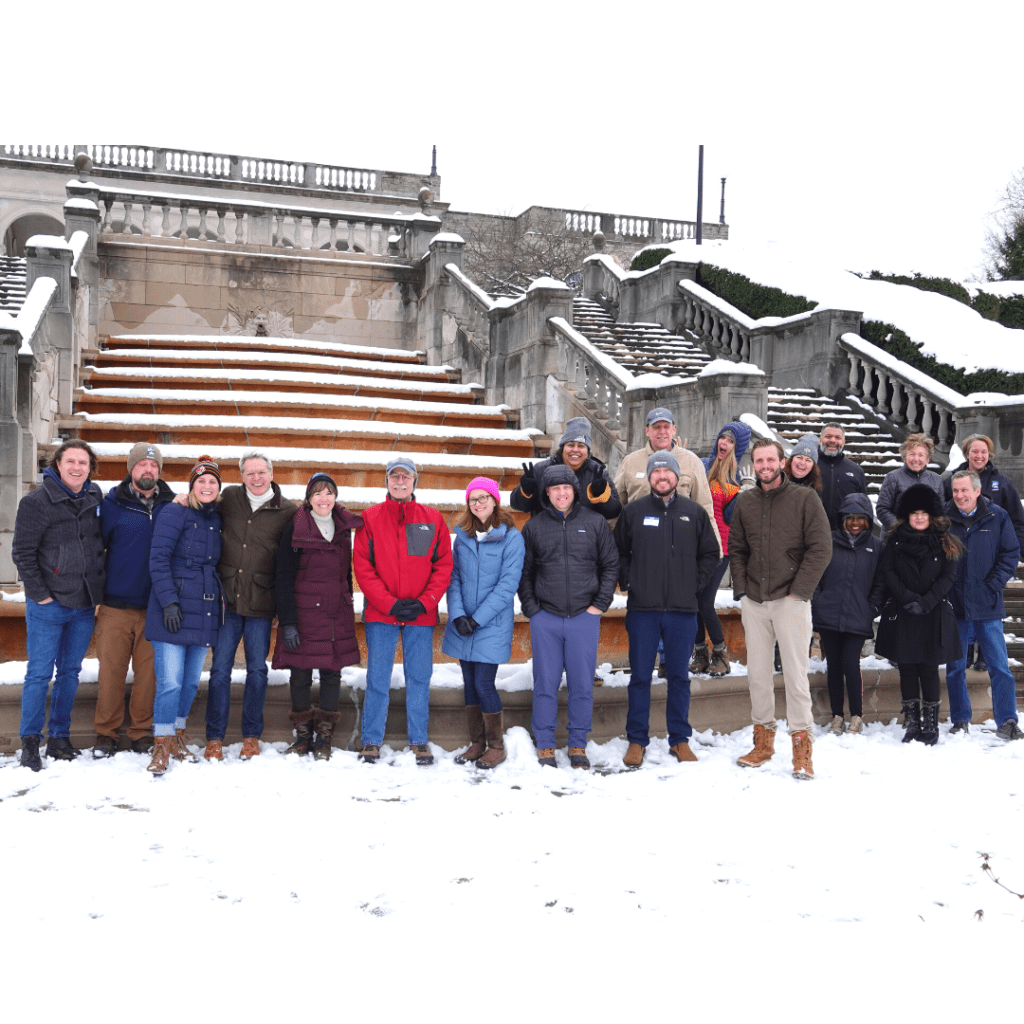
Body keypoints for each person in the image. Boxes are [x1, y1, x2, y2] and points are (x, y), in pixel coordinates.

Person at [729, 438, 832, 780]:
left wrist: (799, 592)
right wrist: (742, 591)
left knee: (795, 676)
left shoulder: (805, 499)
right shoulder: (745, 501)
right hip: (755, 601)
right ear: (753, 464)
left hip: (791, 600)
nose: (765, 466)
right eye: (759, 461)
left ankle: (802, 749)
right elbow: (737, 549)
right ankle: (763, 742)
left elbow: (820, 548)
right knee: (757, 674)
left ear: (782, 462)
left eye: (770, 459)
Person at [614, 451, 719, 766]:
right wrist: (630, 580)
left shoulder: (694, 513)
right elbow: (619, 551)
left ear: (677, 477)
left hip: (682, 613)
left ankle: (679, 740)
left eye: (667, 472)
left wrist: (694, 584)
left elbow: (710, 554)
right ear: (649, 477)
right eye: (656, 472)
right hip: (643, 611)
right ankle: (637, 740)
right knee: (641, 678)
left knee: (679, 677)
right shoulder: (633, 512)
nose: (662, 476)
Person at [353, 456, 453, 766]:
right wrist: (389, 603)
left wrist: (424, 602)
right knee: (378, 677)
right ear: (386, 481)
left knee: (419, 677)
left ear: (414, 482)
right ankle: (371, 740)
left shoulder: (431, 519)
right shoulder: (369, 519)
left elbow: (442, 566)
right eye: (394, 477)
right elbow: (363, 567)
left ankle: (419, 740)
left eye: (405, 477)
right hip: (382, 613)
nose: (399, 482)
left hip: (420, 614)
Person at [12, 440, 106, 770]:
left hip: (83, 604)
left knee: (69, 672)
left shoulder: (95, 496)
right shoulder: (37, 502)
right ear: (58, 464)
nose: (77, 467)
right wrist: (40, 595)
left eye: (83, 462)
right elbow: (22, 553)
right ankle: (30, 742)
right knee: (39, 674)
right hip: (49, 604)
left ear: (90, 467)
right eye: (71, 461)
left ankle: (59, 737)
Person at [519, 464, 618, 769]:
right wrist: (533, 610)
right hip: (545, 617)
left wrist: (598, 606)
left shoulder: (595, 522)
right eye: (554, 488)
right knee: (545, 683)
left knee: (581, 684)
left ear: (574, 490)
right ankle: (546, 744)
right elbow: (525, 573)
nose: (561, 493)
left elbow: (610, 566)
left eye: (566, 488)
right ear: (546, 493)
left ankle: (577, 743)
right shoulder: (534, 527)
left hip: (583, 616)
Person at [202, 451, 297, 761]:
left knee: (257, 671)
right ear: (241, 476)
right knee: (219, 671)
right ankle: (214, 736)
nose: (256, 478)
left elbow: (291, 560)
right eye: (249, 473)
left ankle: (251, 735)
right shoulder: (229, 497)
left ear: (271, 473)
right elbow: (201, 502)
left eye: (261, 472)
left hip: (261, 603)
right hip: (227, 601)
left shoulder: (287, 510)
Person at [270, 473, 363, 760]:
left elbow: (344, 574)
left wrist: (346, 599)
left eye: (329, 493)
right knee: (300, 674)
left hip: (335, 613)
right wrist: (288, 622)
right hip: (304, 613)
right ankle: (303, 738)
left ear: (335, 497)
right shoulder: (295, 527)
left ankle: (323, 738)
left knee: (331, 673)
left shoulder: (342, 527)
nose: (324, 499)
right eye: (318, 493)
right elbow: (283, 576)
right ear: (309, 498)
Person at [93, 442, 177, 757]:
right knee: (111, 673)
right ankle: (106, 733)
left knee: (148, 676)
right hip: (115, 606)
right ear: (131, 469)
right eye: (142, 465)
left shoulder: (173, 505)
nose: (148, 470)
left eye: (154, 466)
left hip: (155, 608)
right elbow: (95, 549)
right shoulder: (112, 504)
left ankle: (141, 732)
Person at [145, 455, 224, 774]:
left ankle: (177, 735)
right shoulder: (174, 511)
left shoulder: (217, 518)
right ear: (192, 485)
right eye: (201, 481)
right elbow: (158, 558)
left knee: (190, 683)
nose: (206, 486)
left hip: (203, 607)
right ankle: (161, 743)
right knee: (170, 682)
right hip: (173, 608)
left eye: (212, 482)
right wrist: (169, 602)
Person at [442, 477, 525, 770]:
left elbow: (507, 585)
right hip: (463, 621)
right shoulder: (463, 535)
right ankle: (476, 742)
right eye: (473, 499)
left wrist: (477, 619)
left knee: (483, 683)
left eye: (483, 498)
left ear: (494, 500)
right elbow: (454, 578)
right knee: (469, 684)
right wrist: (458, 615)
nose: (478, 504)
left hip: (491, 623)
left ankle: (495, 745)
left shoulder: (512, 536)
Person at [874, 484, 963, 745]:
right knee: (907, 669)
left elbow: (949, 577)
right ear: (907, 516)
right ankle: (912, 722)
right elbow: (888, 572)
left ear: (932, 515)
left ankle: (931, 724)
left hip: (932, 613)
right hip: (904, 612)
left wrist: (926, 602)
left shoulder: (947, 541)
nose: (920, 517)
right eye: (915, 513)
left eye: (924, 512)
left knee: (928, 669)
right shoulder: (894, 540)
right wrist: (908, 599)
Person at [943, 470, 1023, 740]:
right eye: (955, 491)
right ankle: (960, 719)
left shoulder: (997, 516)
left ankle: (1007, 721)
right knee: (955, 667)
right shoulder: (944, 519)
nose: (959, 496)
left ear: (977, 491)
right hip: (955, 604)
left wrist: (994, 584)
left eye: (965, 490)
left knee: (999, 666)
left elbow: (1010, 552)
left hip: (987, 604)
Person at [942, 434, 1024, 672]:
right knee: (963, 609)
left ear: (989, 455)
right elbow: (943, 517)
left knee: (986, 609)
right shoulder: (952, 481)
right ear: (967, 453)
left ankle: (983, 655)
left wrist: (1013, 556)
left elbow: (1016, 521)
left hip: (991, 557)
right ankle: (965, 652)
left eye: (983, 452)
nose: (979, 456)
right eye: (974, 451)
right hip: (960, 556)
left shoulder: (1003, 482)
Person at [812, 493, 885, 735]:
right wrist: (818, 602)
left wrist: (871, 609)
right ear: (842, 519)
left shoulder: (876, 546)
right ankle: (836, 716)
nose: (855, 523)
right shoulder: (829, 541)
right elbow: (817, 575)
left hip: (858, 616)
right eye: (850, 518)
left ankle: (856, 716)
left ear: (868, 520)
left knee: (851, 664)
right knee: (833, 666)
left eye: (860, 519)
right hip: (828, 615)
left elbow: (880, 583)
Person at [691, 421, 750, 677]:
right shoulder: (703, 466)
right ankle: (701, 652)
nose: (723, 444)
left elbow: (730, 517)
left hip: (720, 548)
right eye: (722, 438)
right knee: (692, 601)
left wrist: (744, 492)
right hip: (696, 545)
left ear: (737, 448)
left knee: (704, 602)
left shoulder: (736, 478)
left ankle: (721, 653)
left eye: (730, 441)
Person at [614, 407, 717, 525]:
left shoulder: (692, 462)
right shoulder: (630, 462)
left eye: (666, 427)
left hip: (680, 538)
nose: (662, 431)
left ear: (674, 429)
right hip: (639, 539)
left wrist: (713, 542)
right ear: (647, 431)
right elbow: (615, 507)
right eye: (656, 427)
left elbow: (705, 511)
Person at [512, 416, 621, 521]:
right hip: (546, 536)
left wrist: (601, 495)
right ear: (562, 448)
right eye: (571, 445)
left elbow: (614, 512)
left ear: (588, 451)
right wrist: (526, 492)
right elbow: (518, 505)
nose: (575, 450)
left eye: (581, 446)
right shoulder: (541, 470)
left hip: (586, 537)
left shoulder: (597, 472)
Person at [876, 433, 944, 532]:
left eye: (921, 455)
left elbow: (941, 512)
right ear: (905, 457)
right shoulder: (893, 478)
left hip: (926, 539)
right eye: (912, 454)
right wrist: (901, 528)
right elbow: (882, 509)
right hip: (896, 538)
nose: (916, 459)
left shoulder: (936, 480)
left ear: (928, 459)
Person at [817, 423, 867, 532]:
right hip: (812, 533)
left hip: (844, 535)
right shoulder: (809, 465)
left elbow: (864, 508)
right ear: (820, 440)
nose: (833, 441)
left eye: (838, 437)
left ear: (843, 443)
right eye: (828, 436)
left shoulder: (856, 471)